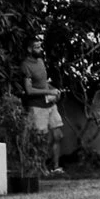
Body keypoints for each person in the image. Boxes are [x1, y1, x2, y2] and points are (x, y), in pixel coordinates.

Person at [20, 35, 64, 174]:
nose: (40, 49)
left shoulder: (40, 61)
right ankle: (40, 167)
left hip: (50, 104)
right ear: (29, 49)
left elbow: (44, 83)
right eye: (37, 47)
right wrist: (46, 91)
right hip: (37, 106)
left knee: (58, 135)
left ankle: (56, 167)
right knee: (41, 139)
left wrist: (53, 90)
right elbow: (29, 90)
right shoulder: (25, 65)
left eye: (40, 46)